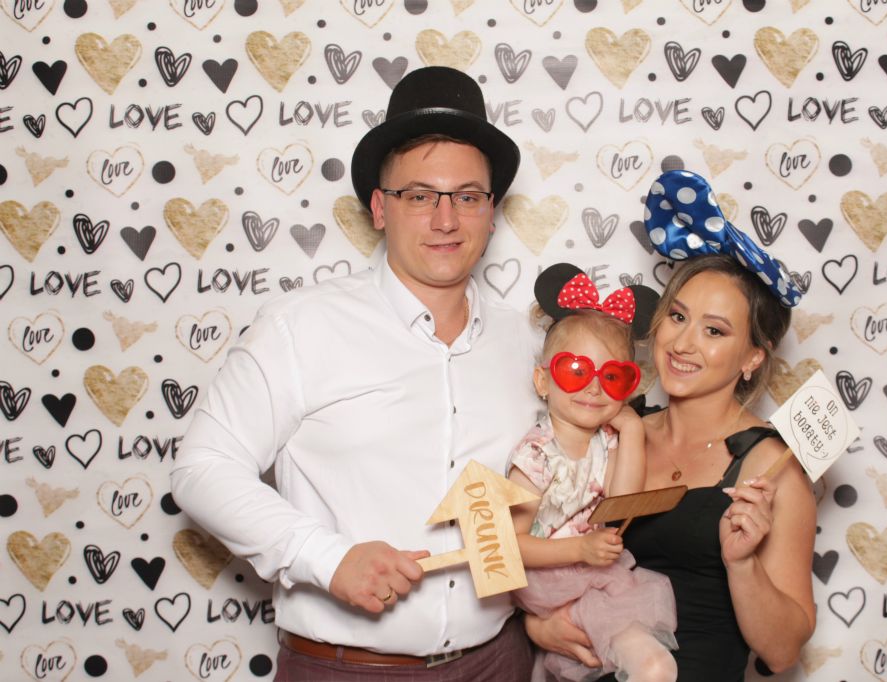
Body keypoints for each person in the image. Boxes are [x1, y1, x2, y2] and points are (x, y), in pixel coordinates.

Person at [170, 66, 539, 681]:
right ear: (378, 207)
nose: (446, 220)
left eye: (468, 196)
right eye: (419, 196)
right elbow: (202, 468)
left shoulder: (526, 342)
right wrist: (328, 557)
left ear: (491, 212)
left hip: (501, 661)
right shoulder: (299, 327)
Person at [526, 170, 816, 680]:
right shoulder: (613, 427)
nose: (682, 344)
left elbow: (782, 652)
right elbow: (543, 537)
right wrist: (538, 626)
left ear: (752, 357)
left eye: (714, 331)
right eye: (678, 317)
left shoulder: (770, 468)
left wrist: (743, 564)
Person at [507, 264, 676, 682]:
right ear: (543, 381)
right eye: (576, 371)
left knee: (650, 665)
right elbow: (511, 546)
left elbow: (622, 504)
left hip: (597, 573)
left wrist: (632, 429)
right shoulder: (536, 454)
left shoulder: (608, 441)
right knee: (654, 667)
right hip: (549, 577)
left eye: (613, 378)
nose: (594, 388)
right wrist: (579, 549)